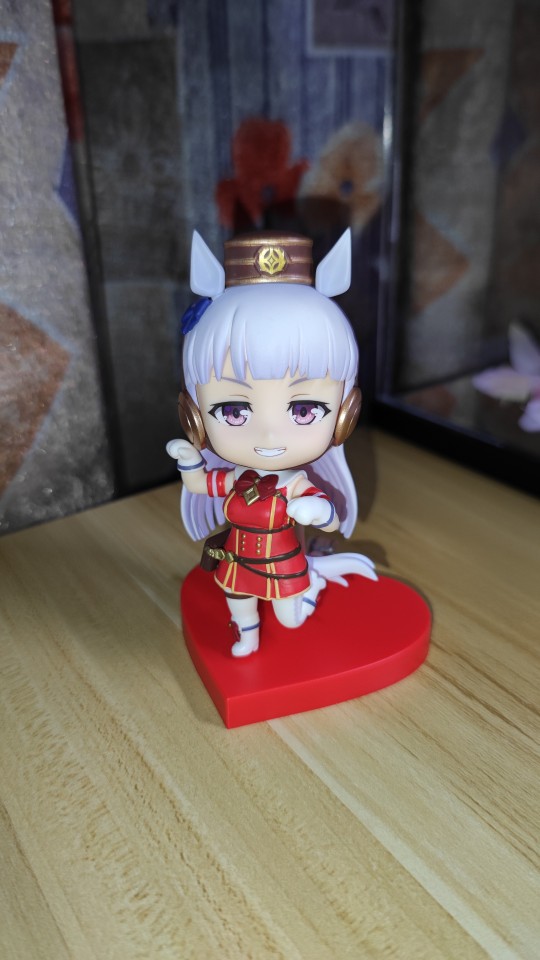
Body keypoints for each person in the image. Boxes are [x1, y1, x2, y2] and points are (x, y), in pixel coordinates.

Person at [167, 229, 376, 657]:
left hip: (282, 563)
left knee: (291, 619)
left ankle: (312, 585)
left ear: (345, 414)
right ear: (195, 415)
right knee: (237, 600)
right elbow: (200, 485)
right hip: (239, 561)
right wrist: (190, 461)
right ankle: (247, 636)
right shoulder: (237, 477)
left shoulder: (293, 483)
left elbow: (328, 517)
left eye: (304, 410)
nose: (268, 436)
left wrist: (316, 510)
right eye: (233, 411)